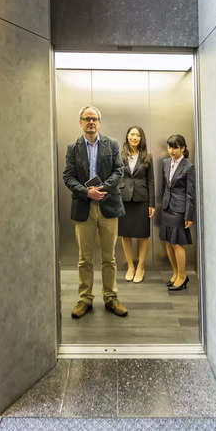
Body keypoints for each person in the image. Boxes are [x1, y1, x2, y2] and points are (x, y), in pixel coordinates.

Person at [62, 105, 129, 318]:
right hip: (84, 207)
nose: (91, 122)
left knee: (109, 258)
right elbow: (68, 176)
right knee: (85, 258)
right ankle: (85, 299)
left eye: (94, 119)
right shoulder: (73, 148)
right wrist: (86, 192)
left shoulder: (112, 144)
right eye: (87, 118)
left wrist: (102, 189)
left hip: (108, 205)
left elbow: (119, 170)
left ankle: (111, 297)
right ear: (80, 122)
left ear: (99, 122)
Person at [118, 126, 155, 283]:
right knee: (125, 234)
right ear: (127, 136)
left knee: (143, 235)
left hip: (142, 199)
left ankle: (140, 266)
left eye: (137, 135)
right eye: (132, 134)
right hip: (124, 199)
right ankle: (130, 267)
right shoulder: (120, 156)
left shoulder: (147, 157)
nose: (134, 137)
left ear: (141, 138)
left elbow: (151, 181)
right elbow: (116, 177)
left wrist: (152, 204)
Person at [158, 134, 195, 291]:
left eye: (175, 147)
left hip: (179, 209)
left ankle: (182, 276)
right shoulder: (165, 163)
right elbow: (164, 186)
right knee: (167, 242)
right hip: (167, 207)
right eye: (170, 147)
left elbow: (190, 193)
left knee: (177, 243)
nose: (172, 150)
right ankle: (175, 273)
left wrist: (189, 215)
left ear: (183, 148)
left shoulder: (188, 166)